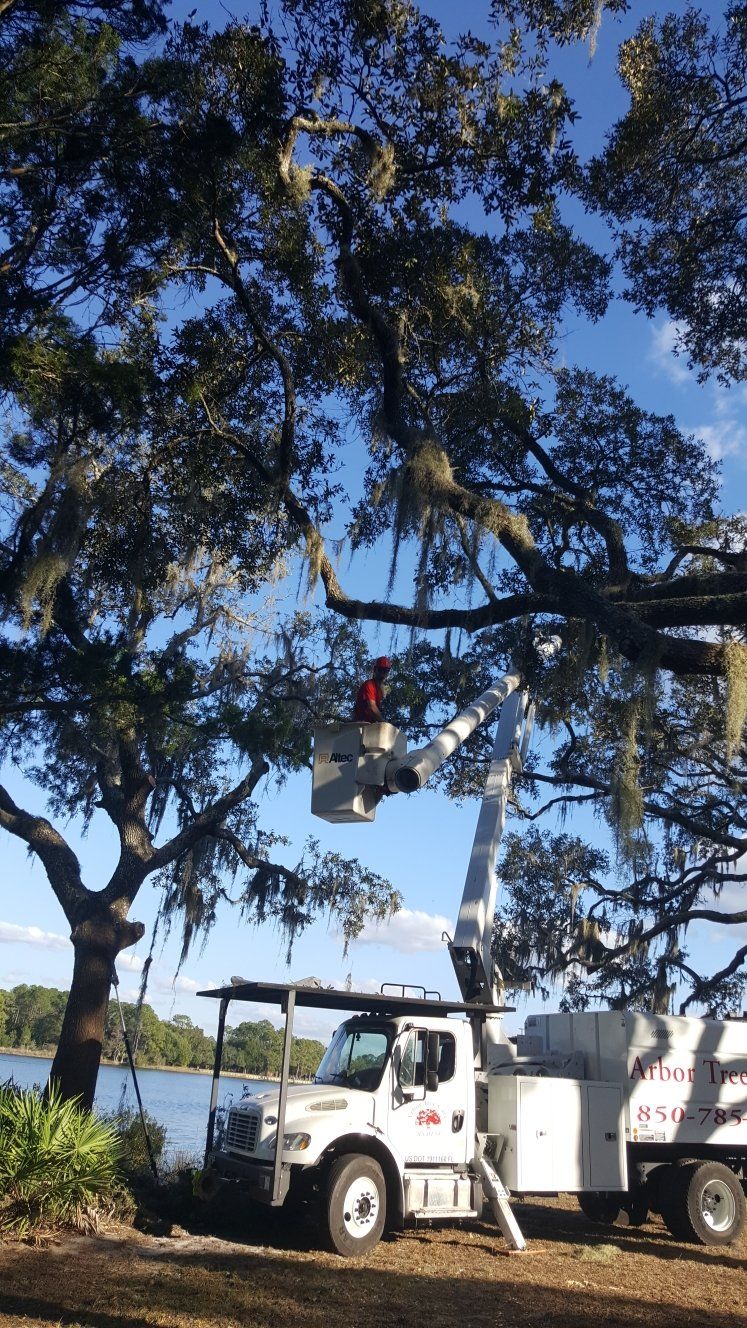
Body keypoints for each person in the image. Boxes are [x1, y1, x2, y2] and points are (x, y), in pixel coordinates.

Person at [353, 656, 391, 723]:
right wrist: (384, 723)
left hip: (371, 725)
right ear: (375, 670)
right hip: (360, 724)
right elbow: (372, 707)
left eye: (385, 670)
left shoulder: (381, 690)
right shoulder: (369, 685)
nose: (382, 673)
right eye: (380, 669)